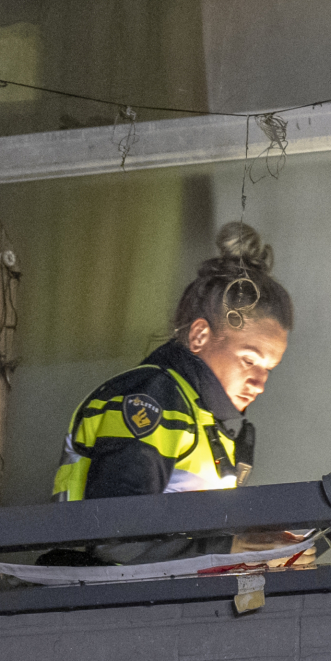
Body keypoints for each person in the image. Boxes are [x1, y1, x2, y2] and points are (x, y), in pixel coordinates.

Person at [44, 222, 292, 564]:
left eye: (268, 369)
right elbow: (118, 543)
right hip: (102, 601)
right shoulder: (153, 399)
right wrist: (231, 548)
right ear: (200, 336)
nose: (259, 382)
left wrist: (257, 549)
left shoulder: (201, 417)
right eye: (249, 359)